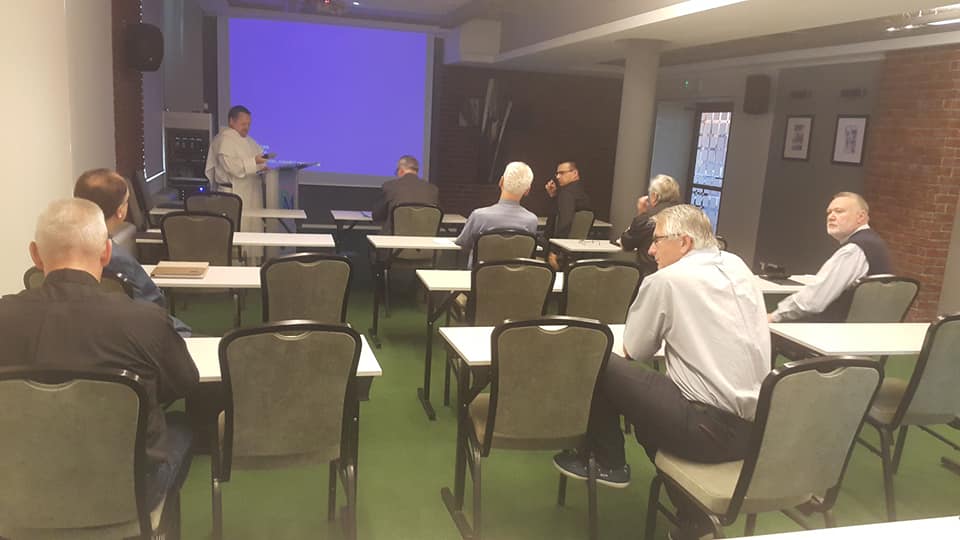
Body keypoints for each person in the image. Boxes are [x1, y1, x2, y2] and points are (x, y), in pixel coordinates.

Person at [553, 205, 769, 540]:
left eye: (657, 241)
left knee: (600, 358)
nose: (651, 250)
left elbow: (635, 349)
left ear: (684, 242)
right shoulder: (737, 265)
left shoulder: (666, 280)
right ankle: (693, 521)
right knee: (649, 419)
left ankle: (609, 461)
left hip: (707, 430)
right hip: (759, 432)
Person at [0, 198, 199, 510]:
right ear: (106, 252)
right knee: (181, 424)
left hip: (19, 491)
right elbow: (183, 383)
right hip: (128, 493)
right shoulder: (146, 320)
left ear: (35, 255)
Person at [73, 168, 192, 336]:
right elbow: (154, 305)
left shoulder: (58, 255)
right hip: (134, 335)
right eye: (126, 201)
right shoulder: (115, 258)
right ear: (120, 212)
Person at [768, 192, 891, 323]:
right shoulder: (873, 242)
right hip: (866, 329)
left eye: (839, 211)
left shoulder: (853, 250)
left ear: (860, 217)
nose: (831, 217)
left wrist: (775, 315)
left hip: (836, 330)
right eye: (829, 212)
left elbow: (814, 300)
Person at [204, 105, 270, 262]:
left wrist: (262, 167)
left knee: (253, 231)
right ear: (231, 122)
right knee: (236, 233)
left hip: (252, 193)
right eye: (243, 124)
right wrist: (254, 162)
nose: (246, 127)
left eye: (248, 124)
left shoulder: (250, 142)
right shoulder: (224, 139)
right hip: (233, 194)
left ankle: (252, 266)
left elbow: (257, 163)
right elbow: (231, 167)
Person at [454, 161, 539, 267]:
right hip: (516, 276)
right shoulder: (532, 220)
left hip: (480, 276)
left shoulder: (479, 216)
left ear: (501, 181)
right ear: (527, 190)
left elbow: (463, 244)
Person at [618, 174, 682, 275]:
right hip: (678, 275)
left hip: (650, 275)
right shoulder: (686, 216)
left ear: (655, 196)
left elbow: (626, 244)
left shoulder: (647, 219)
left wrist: (641, 214)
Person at [371, 155, 439, 235]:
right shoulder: (433, 189)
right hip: (425, 238)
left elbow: (377, 216)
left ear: (401, 171)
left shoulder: (389, 186)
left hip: (394, 239)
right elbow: (437, 214)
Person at [543, 160, 592, 269]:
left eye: (562, 173)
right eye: (557, 173)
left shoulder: (566, 193)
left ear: (575, 173)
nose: (557, 177)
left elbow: (565, 222)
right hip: (575, 253)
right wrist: (554, 196)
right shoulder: (581, 193)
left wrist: (554, 251)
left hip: (560, 252)